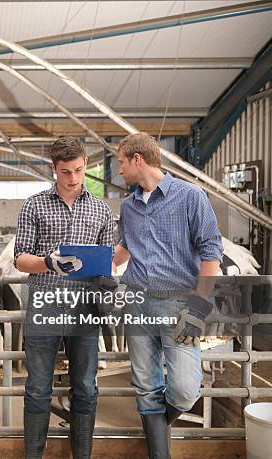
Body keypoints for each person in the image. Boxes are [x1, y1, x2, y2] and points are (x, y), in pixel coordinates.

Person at [112, 132, 223, 459]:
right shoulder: (128, 206)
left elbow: (211, 253)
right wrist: (84, 261)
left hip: (178, 305)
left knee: (186, 391)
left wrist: (199, 308)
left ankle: (156, 429)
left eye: (120, 162)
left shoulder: (190, 196)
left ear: (137, 159)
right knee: (146, 386)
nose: (119, 170)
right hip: (136, 302)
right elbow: (123, 251)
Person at [14, 136, 115, 459]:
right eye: (65, 172)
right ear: (53, 169)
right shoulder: (34, 205)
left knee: (85, 386)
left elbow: (107, 260)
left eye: (79, 170)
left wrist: (108, 282)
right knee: (38, 387)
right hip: (45, 304)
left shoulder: (101, 209)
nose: (73, 179)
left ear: (87, 164)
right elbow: (20, 258)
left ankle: (81, 456)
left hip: (85, 309)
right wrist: (47, 263)